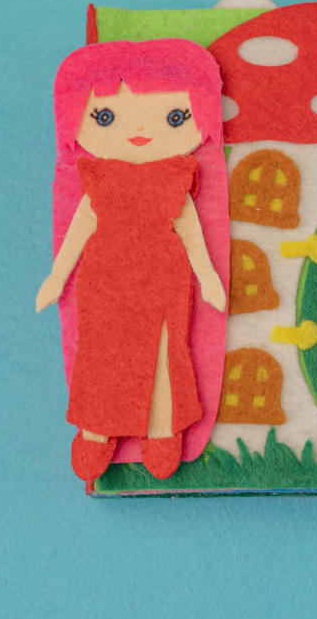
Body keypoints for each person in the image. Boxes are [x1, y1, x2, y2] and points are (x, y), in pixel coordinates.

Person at [36, 39, 227, 482]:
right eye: (105, 117)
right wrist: (57, 277)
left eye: (175, 117)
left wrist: (208, 276)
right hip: (104, 278)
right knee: (103, 351)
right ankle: (96, 431)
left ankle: (162, 431)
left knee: (163, 352)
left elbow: (191, 232)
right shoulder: (100, 179)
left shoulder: (175, 178)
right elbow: (80, 229)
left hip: (164, 279)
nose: (140, 130)